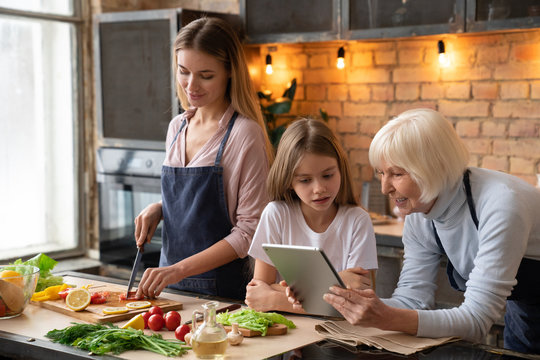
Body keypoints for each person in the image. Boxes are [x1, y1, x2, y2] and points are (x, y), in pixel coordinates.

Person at [289, 108, 540, 353]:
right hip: (526, 313)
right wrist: (344, 303)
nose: (385, 187)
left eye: (397, 174)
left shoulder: (502, 205)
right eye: (381, 173)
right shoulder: (420, 213)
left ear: (434, 168)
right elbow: (411, 301)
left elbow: (476, 321)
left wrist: (385, 318)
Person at [134, 17, 272, 300]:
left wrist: (178, 270)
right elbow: (193, 203)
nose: (191, 85)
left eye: (206, 75)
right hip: (169, 289)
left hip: (221, 297)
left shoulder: (245, 134)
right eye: (183, 72)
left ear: (229, 71)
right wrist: (160, 208)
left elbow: (249, 233)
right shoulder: (177, 127)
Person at [246, 118, 378, 313]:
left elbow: (357, 303)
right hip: (287, 335)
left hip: (340, 338)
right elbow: (257, 296)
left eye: (327, 175)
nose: (319, 189)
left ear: (340, 169)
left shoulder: (357, 220)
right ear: (289, 180)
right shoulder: (276, 215)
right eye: (305, 180)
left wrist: (277, 298)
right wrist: (339, 282)